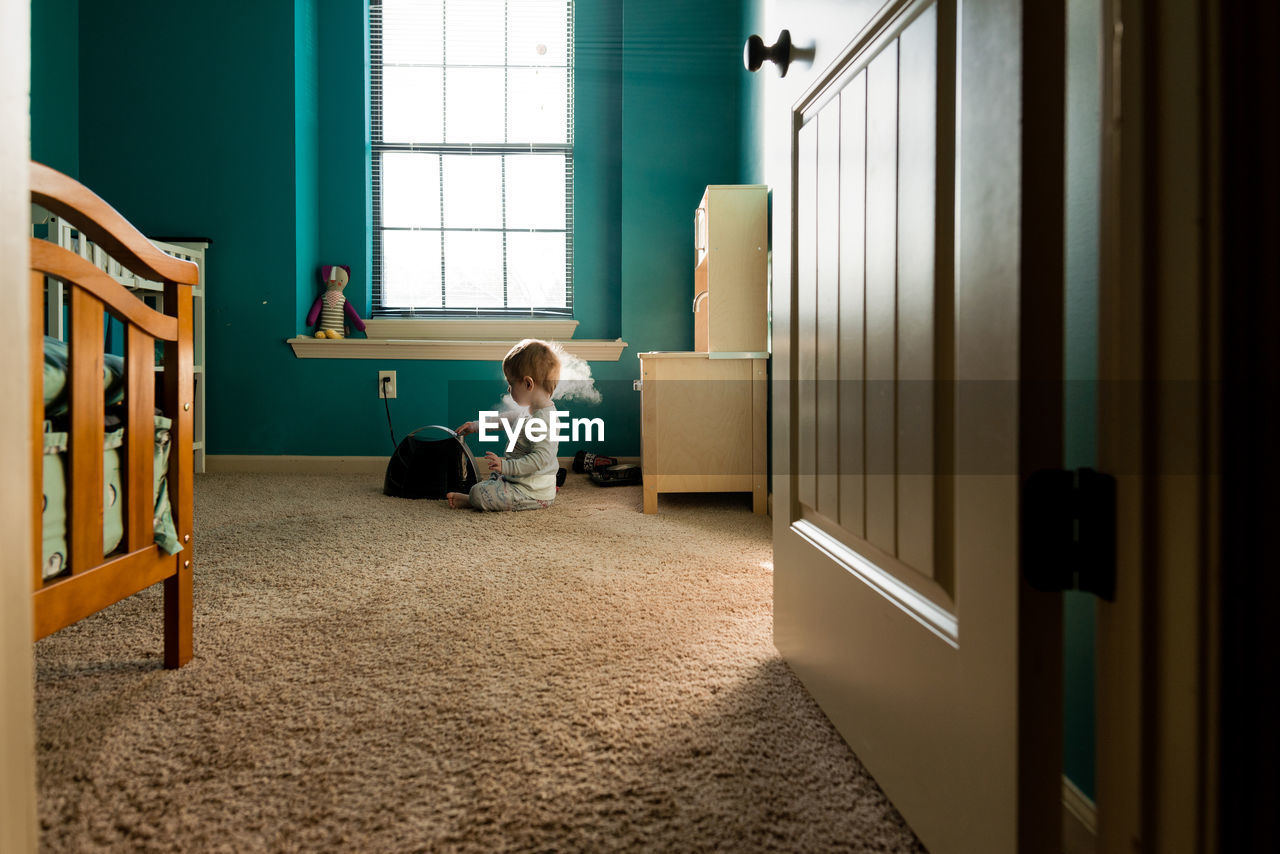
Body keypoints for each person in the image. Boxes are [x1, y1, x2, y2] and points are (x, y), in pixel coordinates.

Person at [447, 339, 560, 511]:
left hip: (532, 492)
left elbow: (540, 459)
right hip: (518, 480)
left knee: (478, 493)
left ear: (528, 384)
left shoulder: (544, 420)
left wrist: (506, 466)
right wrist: (476, 426)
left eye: (511, 384)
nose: (508, 389)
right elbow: (505, 419)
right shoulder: (530, 410)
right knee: (494, 476)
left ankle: (471, 500)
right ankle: (495, 485)